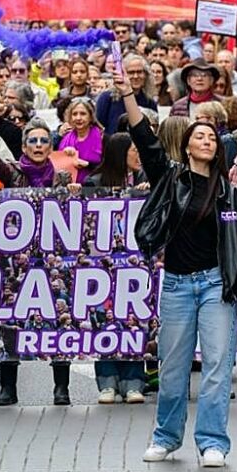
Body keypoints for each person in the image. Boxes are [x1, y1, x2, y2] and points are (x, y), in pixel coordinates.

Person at [118, 65, 237, 469]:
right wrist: (128, 95)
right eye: (199, 136)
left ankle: (213, 442)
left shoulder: (228, 193)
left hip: (216, 286)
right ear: (187, 145)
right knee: (174, 368)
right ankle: (165, 437)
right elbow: (144, 138)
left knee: (217, 367)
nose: (206, 141)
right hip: (177, 285)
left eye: (212, 137)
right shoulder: (170, 177)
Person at [0, 102, 77, 406]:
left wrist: (73, 198)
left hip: (49, 260)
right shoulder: (13, 172)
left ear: (50, 147)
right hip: (15, 261)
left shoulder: (61, 178)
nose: (38, 145)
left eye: (44, 140)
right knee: (11, 320)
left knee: (59, 319)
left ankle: (61, 387)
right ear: (23, 146)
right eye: (32, 140)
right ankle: (8, 387)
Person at [82, 132, 149, 405]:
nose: (138, 155)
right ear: (120, 153)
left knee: (133, 321)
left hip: (136, 266)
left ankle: (134, 382)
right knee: (105, 322)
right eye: (134, 150)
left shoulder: (145, 179)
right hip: (104, 267)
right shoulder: (94, 182)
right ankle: (107, 381)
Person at [96, 54, 156, 133]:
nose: (136, 76)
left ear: (146, 75)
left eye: (139, 72)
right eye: (131, 72)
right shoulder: (107, 98)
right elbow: (98, 128)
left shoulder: (149, 102)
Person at [57, 97, 104, 182]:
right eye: (74, 114)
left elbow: (107, 167)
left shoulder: (102, 138)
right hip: (69, 185)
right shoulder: (65, 139)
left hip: (94, 186)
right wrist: (66, 156)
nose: (78, 118)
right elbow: (58, 168)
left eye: (83, 114)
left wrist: (87, 164)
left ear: (90, 117)